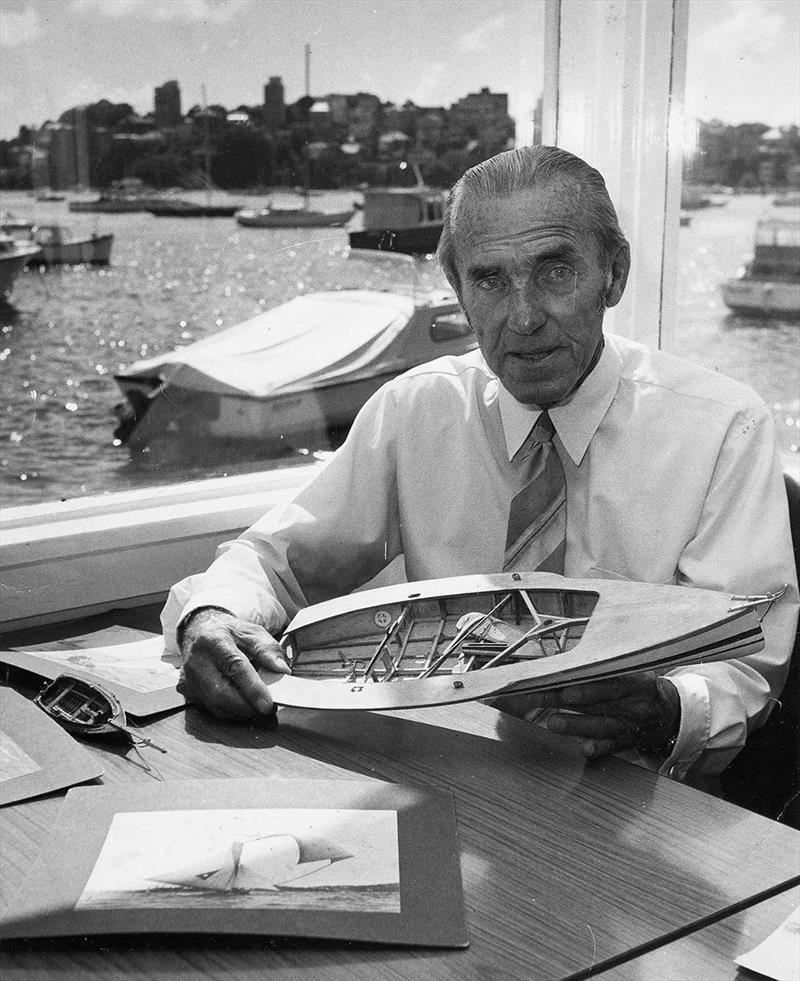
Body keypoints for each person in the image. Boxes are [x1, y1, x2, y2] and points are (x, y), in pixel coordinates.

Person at [163, 145, 798, 782]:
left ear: (614, 274)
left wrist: (662, 710)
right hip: (451, 773)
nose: (523, 318)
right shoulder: (416, 410)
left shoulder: (724, 426)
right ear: (460, 292)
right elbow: (274, 560)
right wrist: (215, 615)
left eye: (554, 272)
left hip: (639, 790)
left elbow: (748, 662)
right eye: (490, 280)